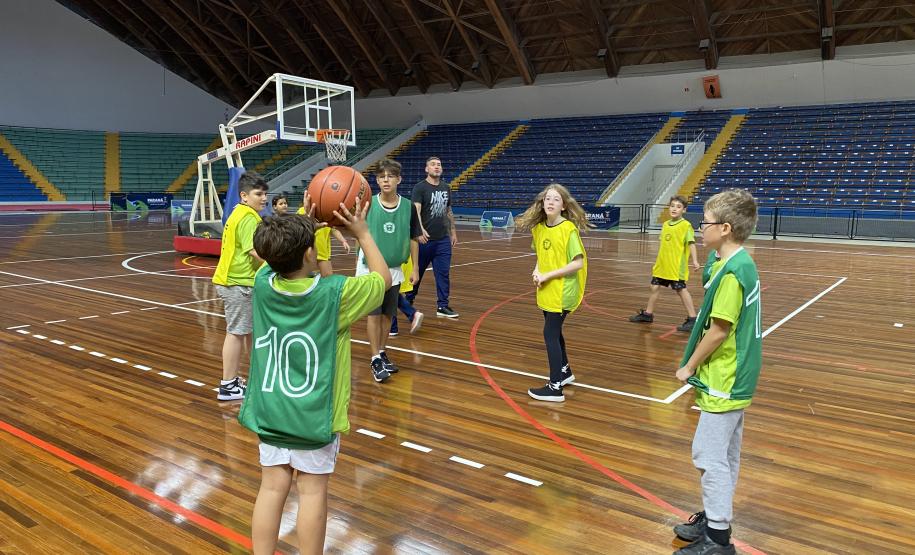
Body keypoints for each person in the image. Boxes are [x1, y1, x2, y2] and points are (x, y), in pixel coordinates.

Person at [239, 198, 391, 555]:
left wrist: (303, 223)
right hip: (314, 414)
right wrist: (362, 233)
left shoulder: (263, 284)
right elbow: (382, 278)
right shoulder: (335, 295)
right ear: (311, 254)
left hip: (270, 409)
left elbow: (272, 257)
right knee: (312, 492)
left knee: (272, 489)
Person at [672, 189, 762, 555]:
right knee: (726, 455)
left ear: (725, 228)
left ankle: (719, 540)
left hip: (726, 376)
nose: (699, 228)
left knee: (708, 456)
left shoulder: (733, 274)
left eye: (705, 223)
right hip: (737, 375)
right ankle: (714, 517)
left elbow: (720, 329)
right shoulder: (736, 263)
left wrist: (688, 365)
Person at [515, 183, 591, 403]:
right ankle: (565, 372)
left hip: (563, 291)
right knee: (555, 333)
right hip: (547, 290)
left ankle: (555, 387)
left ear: (564, 206)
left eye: (556, 199)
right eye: (548, 198)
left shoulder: (568, 229)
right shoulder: (538, 229)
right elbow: (541, 255)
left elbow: (578, 263)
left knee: (549, 334)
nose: (550, 202)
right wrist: (537, 271)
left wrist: (549, 276)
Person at [357, 159, 422, 382]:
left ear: (398, 179)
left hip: (395, 268)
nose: (386, 180)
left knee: (388, 314)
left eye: (390, 176)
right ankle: (374, 358)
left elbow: (414, 238)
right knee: (374, 315)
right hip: (371, 269)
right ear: (376, 180)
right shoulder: (368, 204)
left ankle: (382, 351)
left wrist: (415, 268)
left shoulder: (408, 207)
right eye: (382, 176)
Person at [212, 171, 268, 401]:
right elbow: (254, 250)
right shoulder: (248, 217)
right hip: (238, 283)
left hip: (233, 281)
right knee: (236, 333)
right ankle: (227, 385)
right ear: (244, 196)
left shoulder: (238, 212)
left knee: (240, 332)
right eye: (258, 194)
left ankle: (233, 381)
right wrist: (281, 264)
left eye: (265, 193)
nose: (264, 198)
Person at [629, 196, 701, 332]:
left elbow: (691, 243)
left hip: (676, 266)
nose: (674, 209)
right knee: (654, 287)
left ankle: (692, 318)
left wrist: (695, 260)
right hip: (663, 265)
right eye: (672, 206)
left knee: (681, 290)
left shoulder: (686, 226)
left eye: (678, 207)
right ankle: (648, 314)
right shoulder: (666, 224)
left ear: (684, 210)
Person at [408, 156, 458, 318]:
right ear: (426, 169)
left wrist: (453, 232)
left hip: (442, 239)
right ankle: (408, 301)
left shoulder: (446, 187)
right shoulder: (420, 188)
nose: (436, 167)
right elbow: (415, 210)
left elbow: (448, 210)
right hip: (424, 240)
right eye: (433, 164)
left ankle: (442, 306)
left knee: (443, 273)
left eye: (439, 164)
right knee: (417, 273)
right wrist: (420, 230)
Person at [297, 192, 350, 276]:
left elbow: (333, 230)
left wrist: (343, 241)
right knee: (306, 278)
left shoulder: (327, 212)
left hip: (324, 251)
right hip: (311, 250)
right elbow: (298, 229)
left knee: (326, 277)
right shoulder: (301, 211)